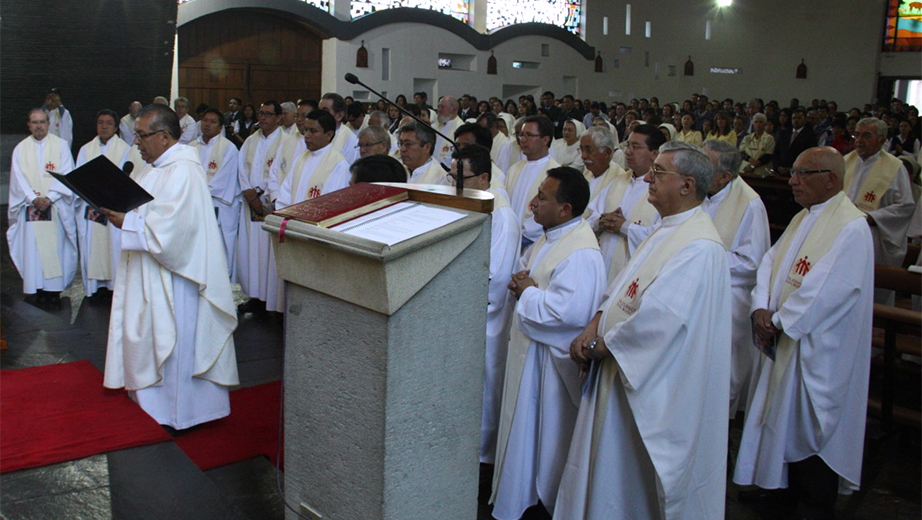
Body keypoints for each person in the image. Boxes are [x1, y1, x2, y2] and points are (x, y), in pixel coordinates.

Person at [558, 141, 731, 520]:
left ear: (687, 185)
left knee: (625, 482)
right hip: (616, 368)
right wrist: (594, 323)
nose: (649, 178)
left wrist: (601, 346)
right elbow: (623, 285)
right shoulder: (666, 228)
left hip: (647, 382)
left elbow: (662, 321)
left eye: (660, 173)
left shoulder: (700, 247)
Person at [734, 147, 873, 520]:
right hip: (785, 337)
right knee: (780, 419)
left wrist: (777, 321)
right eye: (793, 172)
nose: (792, 180)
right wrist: (761, 305)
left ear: (830, 179)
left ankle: (814, 503)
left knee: (811, 423)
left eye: (802, 173)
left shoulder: (851, 227)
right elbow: (769, 261)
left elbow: (828, 290)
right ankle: (783, 492)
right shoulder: (804, 217)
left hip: (818, 348)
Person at [101, 103, 239, 430]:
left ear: (164, 137)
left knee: (176, 344)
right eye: (135, 134)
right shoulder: (154, 167)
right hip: (151, 271)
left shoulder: (184, 170)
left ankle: (182, 413)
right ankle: (153, 406)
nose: (137, 142)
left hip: (178, 279)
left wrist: (128, 222)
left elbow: (173, 233)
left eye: (142, 135)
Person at [491, 167, 605, 520]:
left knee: (544, 442)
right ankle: (519, 497)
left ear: (565, 208)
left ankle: (540, 504)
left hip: (550, 366)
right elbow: (530, 273)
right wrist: (522, 283)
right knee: (525, 438)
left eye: (542, 197)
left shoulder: (581, 251)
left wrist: (527, 293)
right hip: (531, 354)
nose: (533, 203)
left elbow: (567, 313)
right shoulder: (552, 235)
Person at [445, 145, 520, 464]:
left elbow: (497, 277)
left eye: (463, 178)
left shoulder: (501, 214)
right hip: (459, 310)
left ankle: (483, 459)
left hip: (484, 321)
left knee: (484, 389)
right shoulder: (468, 201)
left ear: (485, 177)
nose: (455, 185)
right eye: (452, 177)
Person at [702, 139, 771, 417]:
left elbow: (752, 261)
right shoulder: (700, 192)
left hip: (728, 297)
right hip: (698, 291)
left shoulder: (750, 204)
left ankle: (722, 428)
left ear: (725, 176)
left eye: (705, 165)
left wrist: (702, 260)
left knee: (721, 373)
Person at [8, 108, 77, 305]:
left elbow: (66, 174)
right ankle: (35, 287)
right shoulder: (20, 149)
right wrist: (33, 199)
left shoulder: (61, 146)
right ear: (28, 125)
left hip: (53, 208)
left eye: (42, 122)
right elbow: (17, 179)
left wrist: (50, 197)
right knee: (33, 249)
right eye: (34, 122)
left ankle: (53, 290)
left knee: (54, 248)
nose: (38, 126)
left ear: (48, 123)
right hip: (31, 208)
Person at [844, 117, 915, 302]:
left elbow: (905, 206)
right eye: (856, 134)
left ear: (882, 140)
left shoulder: (894, 167)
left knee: (870, 294)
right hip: (844, 233)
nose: (859, 140)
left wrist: (872, 217)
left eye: (866, 135)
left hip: (874, 236)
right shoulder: (846, 161)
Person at [586, 124, 666, 283]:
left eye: (636, 147)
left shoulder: (663, 191)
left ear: (654, 154)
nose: (628, 152)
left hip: (632, 275)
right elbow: (590, 217)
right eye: (627, 145)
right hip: (599, 267)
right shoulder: (618, 181)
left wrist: (624, 227)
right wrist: (601, 221)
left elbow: (661, 238)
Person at [75, 109, 131, 297]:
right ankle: (95, 288)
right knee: (93, 246)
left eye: (108, 123)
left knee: (113, 248)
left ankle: (114, 288)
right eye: (100, 122)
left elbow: (126, 179)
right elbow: (78, 178)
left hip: (112, 208)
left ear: (116, 127)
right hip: (91, 207)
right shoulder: (85, 149)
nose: (104, 126)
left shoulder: (125, 149)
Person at [237, 101, 285, 313]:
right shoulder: (250, 141)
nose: (263, 117)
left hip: (269, 203)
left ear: (278, 117)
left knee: (268, 252)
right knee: (251, 250)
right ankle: (254, 295)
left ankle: (271, 300)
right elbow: (241, 168)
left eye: (268, 114)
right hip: (250, 203)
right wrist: (249, 193)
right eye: (261, 113)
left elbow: (281, 172)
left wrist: (263, 196)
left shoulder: (286, 141)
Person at [191, 108, 240, 280]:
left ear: (220, 128)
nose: (207, 124)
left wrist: (198, 192)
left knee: (219, 247)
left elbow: (223, 180)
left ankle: (222, 283)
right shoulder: (190, 147)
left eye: (213, 122)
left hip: (219, 206)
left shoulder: (229, 149)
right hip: (195, 206)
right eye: (205, 120)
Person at [504, 115, 561, 248]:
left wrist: (520, 238)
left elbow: (550, 213)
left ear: (545, 140)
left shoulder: (555, 173)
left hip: (534, 245)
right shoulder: (514, 169)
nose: (522, 140)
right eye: (521, 135)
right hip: (509, 239)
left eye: (529, 135)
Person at [277, 110, 350, 209]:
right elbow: (285, 194)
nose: (306, 135)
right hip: (292, 221)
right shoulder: (301, 159)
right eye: (306, 130)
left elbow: (334, 205)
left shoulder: (339, 164)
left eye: (313, 131)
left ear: (329, 134)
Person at [578, 125, 625, 206]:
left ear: (607, 152)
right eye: (582, 150)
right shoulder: (587, 173)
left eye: (589, 150)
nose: (583, 156)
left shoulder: (620, 181)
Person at [319, 93, 360, 164]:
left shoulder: (351, 140)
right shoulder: (315, 133)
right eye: (319, 110)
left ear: (339, 115)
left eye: (325, 111)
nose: (319, 114)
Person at [773, 109, 815, 176]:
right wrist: (778, 167)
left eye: (799, 118)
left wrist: (792, 169)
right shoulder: (784, 133)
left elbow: (809, 156)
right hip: (781, 171)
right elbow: (777, 152)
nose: (796, 120)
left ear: (805, 120)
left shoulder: (810, 135)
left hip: (798, 172)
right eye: (794, 118)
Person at [434, 96, 465, 168]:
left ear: (453, 109)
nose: (439, 110)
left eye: (442, 107)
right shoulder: (437, 125)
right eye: (438, 107)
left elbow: (454, 152)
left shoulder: (460, 127)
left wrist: (441, 168)